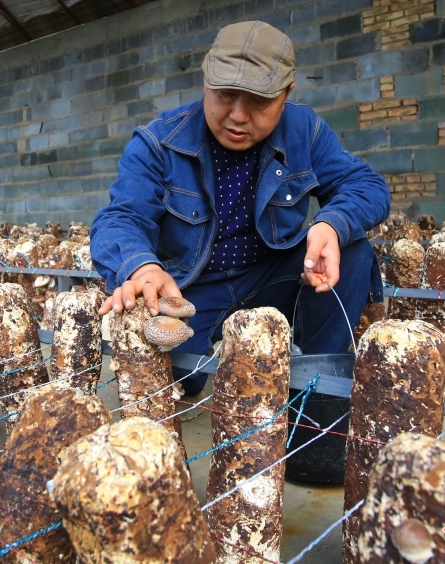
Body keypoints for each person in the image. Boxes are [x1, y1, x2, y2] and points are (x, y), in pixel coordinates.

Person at [90, 20, 391, 395]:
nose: (237, 115)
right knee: (184, 380)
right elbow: (120, 217)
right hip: (192, 290)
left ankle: (314, 387)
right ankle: (195, 362)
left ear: (286, 94)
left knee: (353, 247)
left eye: (259, 101)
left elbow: (368, 186)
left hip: (271, 276)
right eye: (225, 95)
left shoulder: (304, 130)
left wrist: (330, 224)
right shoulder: (159, 142)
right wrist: (141, 265)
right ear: (206, 81)